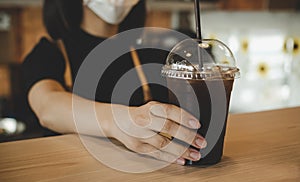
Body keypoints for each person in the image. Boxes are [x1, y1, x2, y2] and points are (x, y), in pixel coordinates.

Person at [22, 0, 207, 166]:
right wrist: (116, 122)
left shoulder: (147, 55)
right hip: (71, 179)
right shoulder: (48, 54)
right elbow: (48, 107)